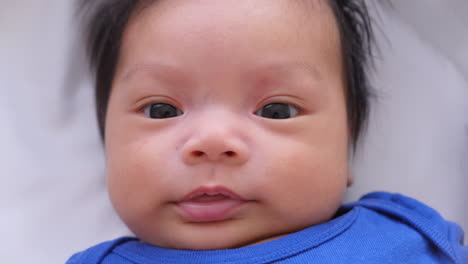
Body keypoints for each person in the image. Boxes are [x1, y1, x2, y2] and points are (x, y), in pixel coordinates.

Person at [68, 0, 467, 263]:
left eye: (276, 110)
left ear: (344, 148)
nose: (212, 142)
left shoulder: (400, 239)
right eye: (161, 109)